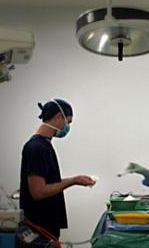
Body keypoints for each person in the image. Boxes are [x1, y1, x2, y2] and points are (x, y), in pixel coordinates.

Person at [20, 99, 96, 238]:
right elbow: (39, 192)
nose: (68, 127)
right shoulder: (37, 148)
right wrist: (72, 181)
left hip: (48, 224)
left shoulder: (45, 145)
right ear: (58, 116)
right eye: (68, 122)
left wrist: (76, 179)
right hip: (39, 226)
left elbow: (48, 183)